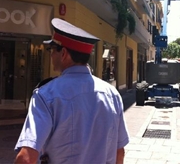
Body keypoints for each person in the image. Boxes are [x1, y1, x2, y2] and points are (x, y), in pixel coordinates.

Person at [14, 18, 129, 164]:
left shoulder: (46, 95)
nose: (51, 55)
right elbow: (120, 152)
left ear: (63, 54)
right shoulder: (112, 94)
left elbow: (26, 158)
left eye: (52, 50)